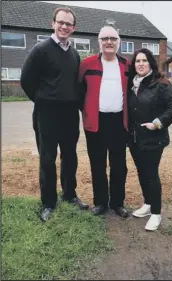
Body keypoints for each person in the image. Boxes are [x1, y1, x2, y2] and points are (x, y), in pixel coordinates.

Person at [20, 6, 89, 222]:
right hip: (46, 113)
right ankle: (48, 203)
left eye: (68, 24)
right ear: (53, 23)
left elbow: (77, 85)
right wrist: (42, 99)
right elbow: (26, 80)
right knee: (47, 159)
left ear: (73, 28)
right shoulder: (40, 50)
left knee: (70, 157)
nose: (64, 26)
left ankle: (69, 195)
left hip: (69, 114)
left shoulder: (75, 54)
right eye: (61, 22)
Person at [78, 26, 130, 218]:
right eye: (105, 38)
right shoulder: (87, 64)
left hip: (119, 121)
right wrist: (87, 111)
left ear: (119, 42)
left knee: (119, 166)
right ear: (99, 42)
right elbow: (78, 91)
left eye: (113, 39)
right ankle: (100, 202)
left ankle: (117, 203)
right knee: (97, 165)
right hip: (95, 123)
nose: (109, 42)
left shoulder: (126, 65)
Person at [127, 48, 172, 231]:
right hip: (134, 139)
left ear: (151, 63)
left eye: (144, 60)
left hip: (153, 138)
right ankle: (148, 204)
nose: (140, 64)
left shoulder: (161, 83)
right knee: (141, 172)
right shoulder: (131, 83)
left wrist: (157, 123)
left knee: (151, 174)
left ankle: (156, 214)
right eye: (137, 61)